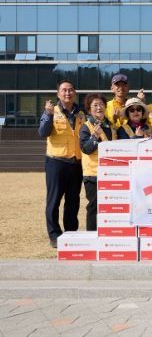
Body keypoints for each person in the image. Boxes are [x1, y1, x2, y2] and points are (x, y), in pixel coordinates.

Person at [37, 80, 85, 248]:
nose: (67, 93)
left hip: (76, 163)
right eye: (64, 90)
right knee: (54, 200)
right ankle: (54, 235)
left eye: (70, 90)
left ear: (75, 93)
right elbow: (42, 132)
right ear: (58, 94)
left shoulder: (81, 114)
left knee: (73, 201)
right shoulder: (52, 111)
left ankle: (71, 232)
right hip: (56, 162)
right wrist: (48, 114)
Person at [79, 94, 116, 231]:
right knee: (94, 207)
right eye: (95, 105)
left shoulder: (111, 126)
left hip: (111, 173)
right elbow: (85, 149)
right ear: (89, 109)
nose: (99, 107)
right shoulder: (86, 127)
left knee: (109, 207)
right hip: (93, 174)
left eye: (101, 104)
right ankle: (92, 235)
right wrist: (95, 136)